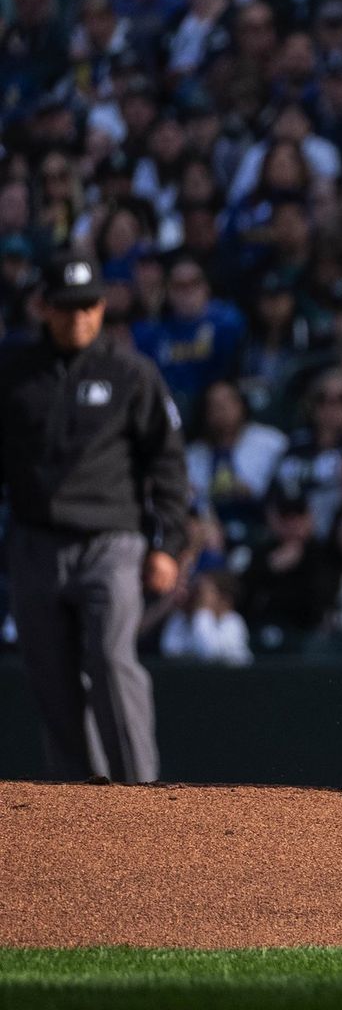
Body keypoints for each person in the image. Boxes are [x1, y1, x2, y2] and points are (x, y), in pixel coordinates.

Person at [0, 254, 191, 781]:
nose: (78, 317)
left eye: (88, 306)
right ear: (44, 308)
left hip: (112, 541)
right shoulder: (13, 371)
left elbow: (168, 461)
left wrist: (168, 544)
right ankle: (79, 809)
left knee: (110, 660)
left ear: (103, 306)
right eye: (66, 307)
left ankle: (139, 797)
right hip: (34, 543)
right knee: (51, 678)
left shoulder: (130, 372)